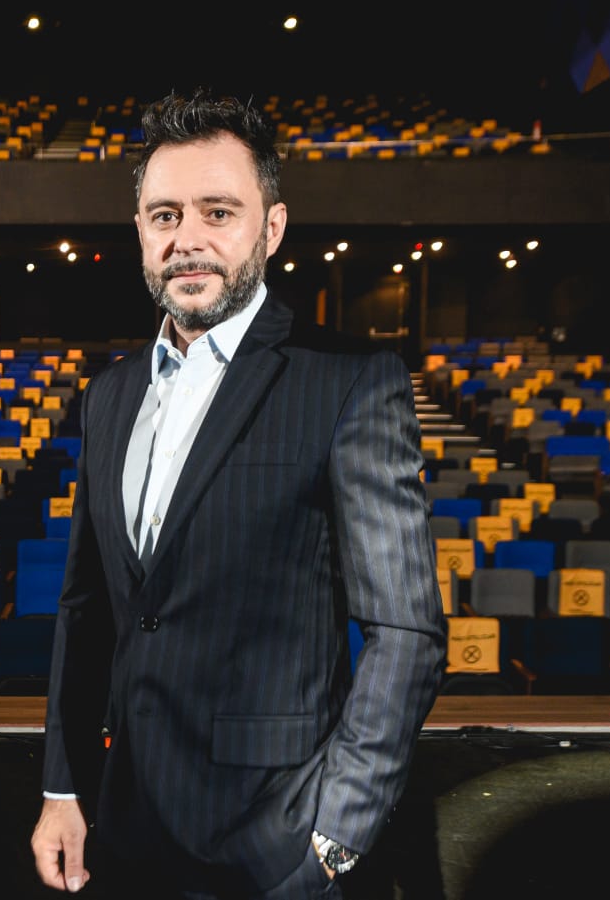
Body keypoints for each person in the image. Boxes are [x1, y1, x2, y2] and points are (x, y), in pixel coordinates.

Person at [30, 87, 447, 899]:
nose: (186, 238)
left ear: (271, 227)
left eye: (217, 212)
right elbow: (87, 610)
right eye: (164, 215)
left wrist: (335, 835)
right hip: (124, 830)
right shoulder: (108, 395)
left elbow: (406, 632)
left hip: (275, 842)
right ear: (140, 231)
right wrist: (64, 787)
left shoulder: (351, 381)